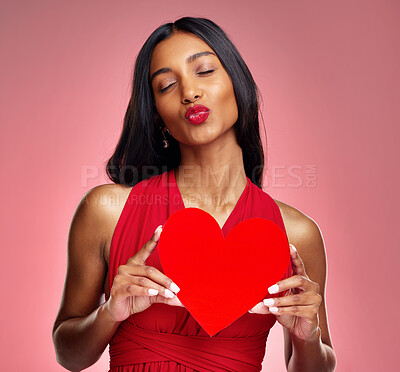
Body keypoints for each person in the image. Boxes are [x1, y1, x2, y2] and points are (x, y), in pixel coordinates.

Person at [52, 17, 337, 372]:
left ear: (238, 84)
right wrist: (110, 313)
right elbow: (69, 354)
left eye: (204, 71)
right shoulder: (106, 211)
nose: (189, 92)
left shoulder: (296, 233)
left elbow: (312, 366)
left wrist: (308, 338)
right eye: (167, 85)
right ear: (158, 117)